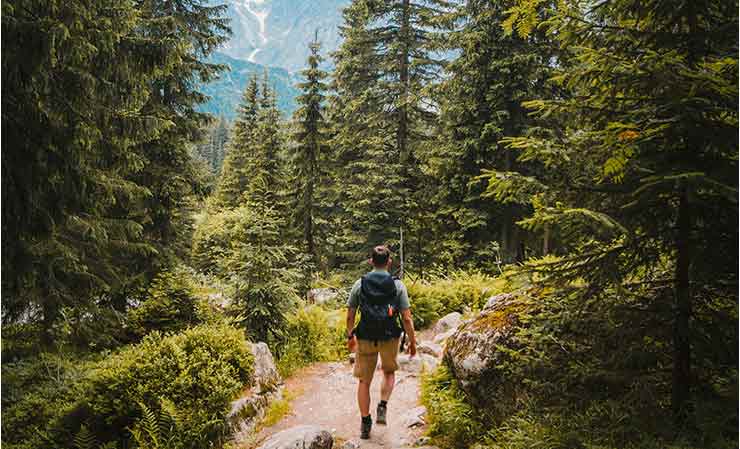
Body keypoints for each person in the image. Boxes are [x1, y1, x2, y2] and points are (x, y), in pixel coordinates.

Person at [346, 245, 417, 439]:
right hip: (389, 337)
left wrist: (350, 336)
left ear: (371, 261)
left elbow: (350, 315)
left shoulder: (359, 284)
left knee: (364, 381)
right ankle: (383, 405)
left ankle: (365, 421)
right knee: (388, 372)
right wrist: (412, 342)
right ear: (389, 262)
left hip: (366, 337)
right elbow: (407, 318)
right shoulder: (398, 285)